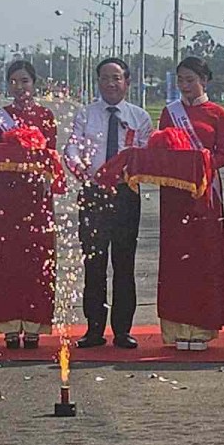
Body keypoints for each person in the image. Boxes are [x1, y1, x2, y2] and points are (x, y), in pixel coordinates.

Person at [65, 58, 152, 349]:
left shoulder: (139, 117)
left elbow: (145, 154)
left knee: (124, 263)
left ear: (127, 82)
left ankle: (123, 329)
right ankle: (93, 328)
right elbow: (73, 146)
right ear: (98, 82)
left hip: (126, 194)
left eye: (116, 78)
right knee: (94, 263)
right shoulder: (86, 115)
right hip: (93, 193)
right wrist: (84, 171)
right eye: (105, 78)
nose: (111, 84)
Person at [155, 57, 224, 351]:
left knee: (204, 256)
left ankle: (201, 328)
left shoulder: (217, 114)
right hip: (175, 193)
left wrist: (200, 164)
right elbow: (161, 148)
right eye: (181, 80)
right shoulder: (169, 113)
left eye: (191, 80)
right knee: (176, 257)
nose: (185, 86)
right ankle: (176, 328)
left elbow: (223, 155)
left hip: (205, 192)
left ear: (204, 80)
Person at [0, 58, 58, 349]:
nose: (20, 86)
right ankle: (9, 324)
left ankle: (35, 323)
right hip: (7, 193)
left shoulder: (46, 115)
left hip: (37, 192)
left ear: (34, 83)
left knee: (37, 256)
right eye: (14, 81)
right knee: (7, 255)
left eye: (25, 80)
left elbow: (50, 154)